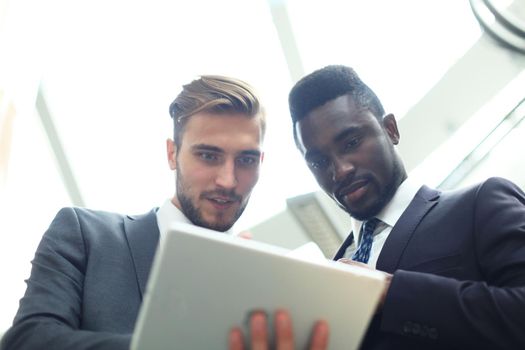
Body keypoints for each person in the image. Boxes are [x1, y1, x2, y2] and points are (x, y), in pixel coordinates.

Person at [1, 75, 328, 350]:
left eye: (245, 160)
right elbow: (27, 342)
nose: (228, 181)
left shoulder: (275, 285)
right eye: (208, 156)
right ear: (173, 154)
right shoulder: (87, 235)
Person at [287, 64, 525, 349]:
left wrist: (390, 292)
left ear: (390, 130)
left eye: (351, 142)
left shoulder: (480, 204)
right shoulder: (328, 275)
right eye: (318, 162)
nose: (340, 170)